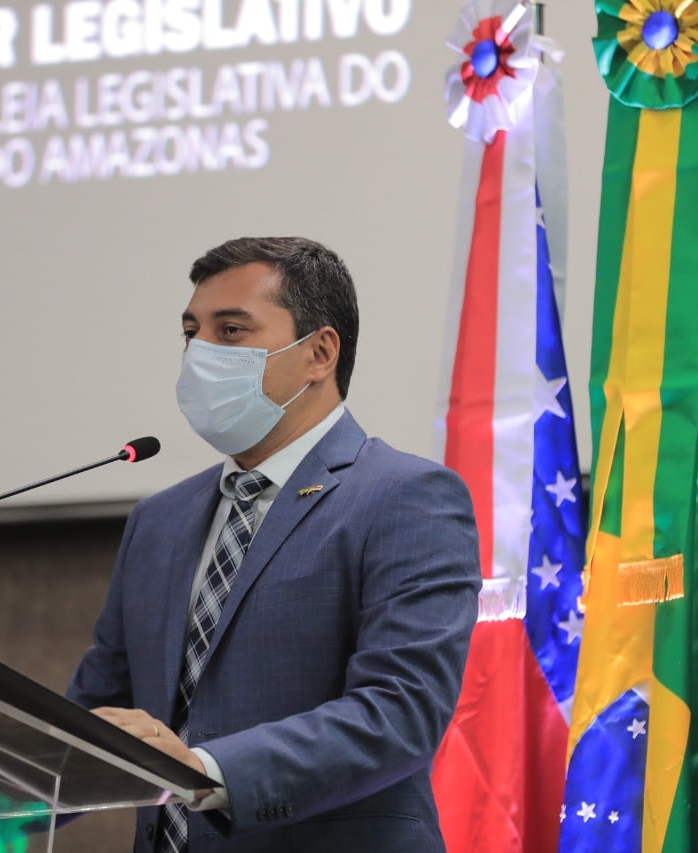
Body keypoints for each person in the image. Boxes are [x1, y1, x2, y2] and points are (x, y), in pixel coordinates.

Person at [68, 236, 480, 853]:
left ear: (319, 352)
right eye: (191, 333)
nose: (200, 353)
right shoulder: (158, 520)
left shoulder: (407, 496)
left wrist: (204, 771)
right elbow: (92, 720)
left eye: (231, 331)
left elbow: (401, 711)